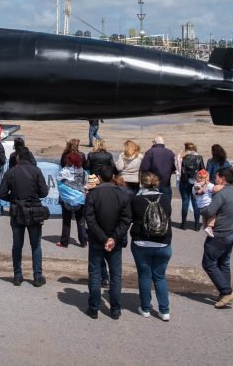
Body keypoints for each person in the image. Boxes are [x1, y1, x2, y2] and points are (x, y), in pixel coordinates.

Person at [82, 164, 132, 319]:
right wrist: (113, 238)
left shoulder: (93, 195)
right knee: (115, 276)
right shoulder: (122, 194)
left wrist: (106, 238)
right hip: (112, 241)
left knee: (95, 273)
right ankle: (115, 309)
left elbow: (89, 220)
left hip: (99, 240)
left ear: (99, 178)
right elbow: (126, 220)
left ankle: (94, 307)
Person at [0, 143, 49, 287]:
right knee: (36, 245)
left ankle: (17, 275)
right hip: (34, 210)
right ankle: (37, 276)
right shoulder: (36, 171)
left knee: (17, 245)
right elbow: (44, 192)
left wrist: (13, 199)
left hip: (17, 211)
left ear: (18, 158)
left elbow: (1, 193)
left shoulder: (11, 172)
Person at [130, 171, 172, 321]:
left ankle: (146, 308)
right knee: (160, 277)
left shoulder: (136, 200)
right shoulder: (166, 199)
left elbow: (131, 218)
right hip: (163, 242)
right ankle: (164, 310)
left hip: (142, 242)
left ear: (142, 183)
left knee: (145, 276)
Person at [200, 167, 233, 308]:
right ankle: (224, 293)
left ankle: (226, 291)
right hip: (231, 233)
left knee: (208, 263)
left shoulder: (222, 194)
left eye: (217, 177)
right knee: (223, 263)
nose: (214, 179)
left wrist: (201, 207)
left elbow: (209, 210)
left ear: (223, 179)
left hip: (220, 235)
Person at [57, 138, 88, 248]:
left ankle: (64, 241)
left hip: (66, 197)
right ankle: (83, 241)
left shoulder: (64, 169)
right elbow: (85, 184)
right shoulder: (83, 171)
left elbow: (60, 181)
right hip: (79, 197)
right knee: (80, 219)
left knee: (66, 219)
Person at [139, 136, 175, 215]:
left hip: (153, 183)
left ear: (155, 143)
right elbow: (173, 167)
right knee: (166, 204)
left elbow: (144, 168)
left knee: (152, 205)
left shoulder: (150, 152)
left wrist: (146, 178)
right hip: (166, 182)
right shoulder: (170, 152)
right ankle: (167, 219)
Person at [176, 142, 205, 230]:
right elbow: (203, 170)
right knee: (195, 202)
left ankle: (183, 224)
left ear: (186, 148)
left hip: (184, 182)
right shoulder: (199, 157)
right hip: (196, 182)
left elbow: (178, 169)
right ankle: (196, 225)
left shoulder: (182, 157)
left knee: (185, 202)